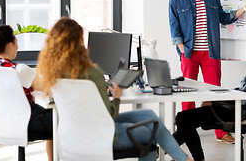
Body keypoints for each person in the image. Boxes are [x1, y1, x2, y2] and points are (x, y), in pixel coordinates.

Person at [34, 17, 193, 161]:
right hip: (104, 138)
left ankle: (184, 159)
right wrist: (116, 97)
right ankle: (184, 160)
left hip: (71, 139)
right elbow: (109, 115)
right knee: (152, 129)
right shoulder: (92, 73)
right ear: (78, 43)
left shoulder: (51, 76)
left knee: (149, 115)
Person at [168, 0, 246, 143]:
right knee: (188, 93)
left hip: (211, 53)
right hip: (189, 53)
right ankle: (186, 131)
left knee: (216, 93)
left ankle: (220, 132)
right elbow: (174, 27)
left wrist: (245, 8)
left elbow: (224, 18)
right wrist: (182, 49)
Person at [173, 20, 246, 161]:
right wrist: (217, 97)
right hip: (239, 108)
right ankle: (159, 151)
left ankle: (197, 159)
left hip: (236, 110)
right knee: (189, 120)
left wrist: (216, 101)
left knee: (183, 118)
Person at [0, 25, 53, 161]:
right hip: (25, 123)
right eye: (16, 41)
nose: (17, 45)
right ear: (10, 45)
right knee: (59, 121)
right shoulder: (19, 70)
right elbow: (47, 89)